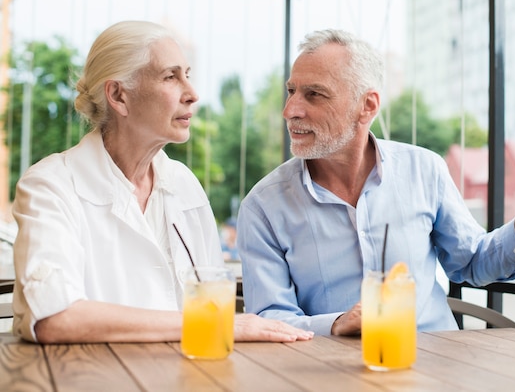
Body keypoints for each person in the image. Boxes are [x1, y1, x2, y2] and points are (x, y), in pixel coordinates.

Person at [236, 29, 515, 336]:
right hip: (327, 372)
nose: (290, 110)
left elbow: (471, 264)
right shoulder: (263, 206)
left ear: (367, 106)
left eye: (313, 94)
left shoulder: (424, 170)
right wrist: (335, 324)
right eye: (291, 91)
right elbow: (269, 318)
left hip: (435, 363)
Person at [11, 20, 313, 344]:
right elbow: (54, 318)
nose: (193, 94)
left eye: (188, 74)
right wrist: (216, 324)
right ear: (118, 95)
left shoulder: (184, 184)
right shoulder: (51, 186)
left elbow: (210, 293)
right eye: (170, 76)